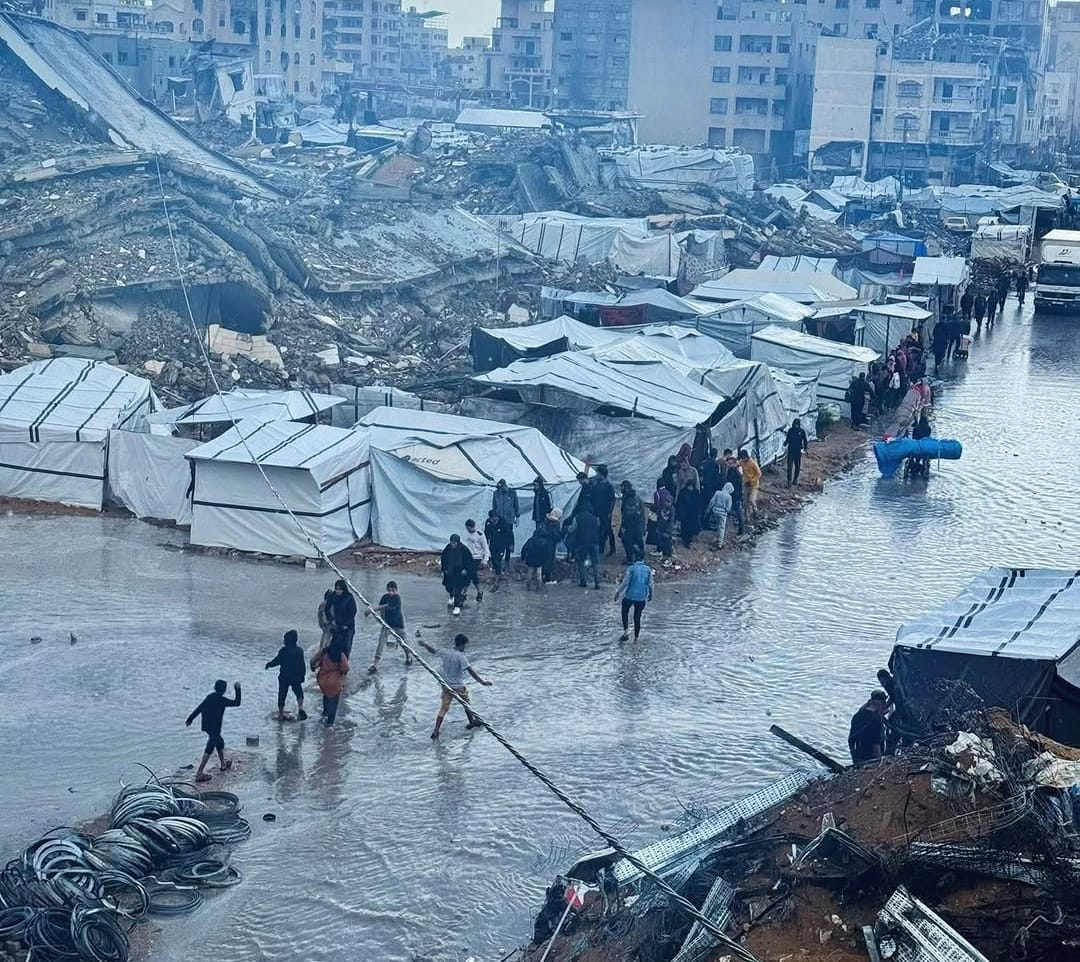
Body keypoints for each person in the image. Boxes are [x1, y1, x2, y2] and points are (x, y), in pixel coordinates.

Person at [418, 632, 492, 739]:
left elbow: (433, 650)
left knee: (443, 709)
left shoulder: (445, 652)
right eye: (465, 645)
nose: (465, 648)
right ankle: (471, 722)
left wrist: (424, 644)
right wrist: (482, 682)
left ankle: (436, 730)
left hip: (446, 686)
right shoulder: (461, 657)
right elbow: (471, 671)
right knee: (466, 704)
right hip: (458, 687)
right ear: (461, 644)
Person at [186, 679, 242, 782]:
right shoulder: (222, 700)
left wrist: (190, 718)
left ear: (215, 688)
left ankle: (223, 764)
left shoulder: (209, 697)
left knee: (219, 742)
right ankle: (199, 773)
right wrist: (238, 689)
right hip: (215, 727)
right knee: (211, 746)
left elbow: (199, 708)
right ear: (224, 690)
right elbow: (237, 703)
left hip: (207, 726)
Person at [366, 580, 410, 673]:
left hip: (398, 624)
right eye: (389, 590)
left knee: (403, 643)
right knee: (381, 643)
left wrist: (372, 609)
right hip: (387, 625)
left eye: (393, 590)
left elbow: (386, 607)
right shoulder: (385, 597)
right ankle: (375, 664)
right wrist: (383, 621)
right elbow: (381, 608)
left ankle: (408, 656)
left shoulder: (397, 598)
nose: (391, 592)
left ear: (396, 590)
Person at [265, 630, 307, 721]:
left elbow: (277, 661)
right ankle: (301, 708)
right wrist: (302, 676)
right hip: (296, 676)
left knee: (282, 694)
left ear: (287, 641)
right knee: (299, 693)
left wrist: (269, 664)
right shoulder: (299, 651)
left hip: (284, 677)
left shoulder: (283, 651)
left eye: (284, 639)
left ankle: (280, 714)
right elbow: (302, 665)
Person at [615, 550, 653, 642]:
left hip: (630, 596)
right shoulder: (648, 570)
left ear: (635, 558)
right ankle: (636, 638)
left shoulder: (631, 569)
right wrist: (651, 594)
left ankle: (626, 631)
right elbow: (650, 584)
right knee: (637, 616)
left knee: (624, 610)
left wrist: (618, 592)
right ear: (644, 559)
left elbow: (625, 583)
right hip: (641, 597)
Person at [313, 640, 349, 726]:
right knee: (334, 702)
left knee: (326, 695)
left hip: (322, 680)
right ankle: (330, 723)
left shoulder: (324, 652)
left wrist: (313, 668)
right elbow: (346, 669)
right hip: (335, 682)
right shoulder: (341, 655)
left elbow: (312, 661)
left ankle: (324, 713)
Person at [847, 690, 888, 764]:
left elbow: (851, 740)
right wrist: (879, 761)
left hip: (859, 755)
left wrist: (854, 758)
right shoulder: (876, 720)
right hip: (871, 758)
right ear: (881, 703)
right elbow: (876, 744)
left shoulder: (857, 716)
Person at [573, 500, 602, 589]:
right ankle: (597, 583)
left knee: (581, 562)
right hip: (594, 542)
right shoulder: (596, 518)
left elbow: (572, 529)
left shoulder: (577, 517)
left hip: (581, 542)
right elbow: (598, 528)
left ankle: (583, 582)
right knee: (595, 563)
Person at [440, 534, 472, 615]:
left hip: (460, 573)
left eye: (454, 543)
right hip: (450, 571)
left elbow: (469, 561)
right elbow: (443, 557)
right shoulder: (448, 548)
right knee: (449, 587)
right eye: (451, 542)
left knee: (458, 589)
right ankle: (452, 596)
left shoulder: (464, 549)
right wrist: (444, 569)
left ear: (457, 542)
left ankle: (457, 606)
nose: (452, 544)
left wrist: (466, 570)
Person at [618, 481, 645, 562]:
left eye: (622, 487)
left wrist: (624, 527)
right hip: (636, 524)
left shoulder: (631, 499)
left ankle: (633, 558)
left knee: (629, 541)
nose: (620, 489)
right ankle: (638, 557)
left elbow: (630, 515)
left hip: (633, 525)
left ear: (626, 488)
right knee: (635, 541)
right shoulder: (631, 497)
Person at [328, 579, 357, 657]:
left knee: (346, 647)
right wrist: (331, 620)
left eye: (340, 589)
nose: (338, 591)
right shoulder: (333, 596)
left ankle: (345, 665)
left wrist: (346, 624)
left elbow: (353, 612)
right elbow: (327, 608)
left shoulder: (349, 598)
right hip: (337, 625)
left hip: (348, 627)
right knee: (335, 646)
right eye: (336, 589)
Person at [592, 465, 617, 556]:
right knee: (598, 529)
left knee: (607, 529)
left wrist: (610, 512)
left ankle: (612, 548)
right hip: (597, 511)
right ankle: (601, 547)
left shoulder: (608, 485)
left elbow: (613, 500)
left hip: (605, 512)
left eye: (597, 473)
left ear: (601, 474)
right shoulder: (596, 483)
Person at [462, 518, 489, 603]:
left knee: (469, 574)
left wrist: (485, 560)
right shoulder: (466, 534)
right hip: (468, 557)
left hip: (477, 558)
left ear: (471, 527)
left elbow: (485, 548)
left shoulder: (480, 534)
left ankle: (464, 593)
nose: (467, 530)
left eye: (468, 528)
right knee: (473, 576)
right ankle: (479, 592)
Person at [675, 474, 702, 548]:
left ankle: (690, 539)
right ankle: (685, 540)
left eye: (691, 486)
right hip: (685, 514)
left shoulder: (696, 492)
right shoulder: (683, 492)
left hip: (693, 514)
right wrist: (680, 513)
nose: (690, 488)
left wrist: (699, 511)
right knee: (685, 528)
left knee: (691, 528)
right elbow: (680, 503)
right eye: (689, 486)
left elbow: (699, 502)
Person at [485, 510, 513, 580]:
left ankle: (498, 575)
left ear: (497, 517)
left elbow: (510, 534)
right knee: (494, 560)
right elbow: (486, 533)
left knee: (498, 560)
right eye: (491, 519)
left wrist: (511, 544)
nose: (493, 521)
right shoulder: (488, 522)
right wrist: (485, 544)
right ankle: (497, 573)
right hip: (492, 544)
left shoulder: (503, 523)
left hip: (501, 544)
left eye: (494, 519)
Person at [705, 481, 733, 547]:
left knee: (717, 526)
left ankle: (716, 539)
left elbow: (712, 502)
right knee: (721, 528)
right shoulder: (729, 497)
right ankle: (720, 543)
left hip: (715, 512)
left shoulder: (717, 493)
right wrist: (726, 511)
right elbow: (728, 508)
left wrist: (708, 510)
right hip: (723, 514)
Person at [724, 452, 745, 537]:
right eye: (728, 463)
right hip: (731, 495)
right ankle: (731, 529)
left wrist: (738, 495)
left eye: (730, 464)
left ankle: (741, 529)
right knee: (732, 512)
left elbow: (739, 486)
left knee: (737, 512)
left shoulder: (736, 473)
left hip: (735, 495)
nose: (728, 465)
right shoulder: (730, 471)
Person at [738, 449, 762, 521]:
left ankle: (756, 513)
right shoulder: (741, 462)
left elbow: (759, 474)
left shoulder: (753, 463)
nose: (742, 459)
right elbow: (737, 464)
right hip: (745, 484)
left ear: (746, 456)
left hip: (753, 485)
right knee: (745, 502)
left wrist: (752, 480)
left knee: (752, 500)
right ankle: (747, 518)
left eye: (743, 458)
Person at [785, 418, 809, 486]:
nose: (796, 426)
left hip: (798, 451)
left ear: (799, 425)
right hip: (791, 451)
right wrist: (785, 443)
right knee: (789, 466)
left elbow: (805, 440)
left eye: (797, 424)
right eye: (795, 424)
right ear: (793, 424)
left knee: (797, 466)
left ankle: (795, 479)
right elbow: (788, 438)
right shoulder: (790, 430)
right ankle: (789, 481)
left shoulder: (801, 431)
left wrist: (805, 448)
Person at [654, 484, 674, 560]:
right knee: (661, 543)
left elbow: (671, 522)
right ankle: (664, 556)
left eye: (668, 502)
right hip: (661, 528)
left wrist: (668, 532)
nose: (667, 503)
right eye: (666, 502)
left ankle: (668, 558)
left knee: (667, 544)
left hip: (667, 531)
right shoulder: (662, 509)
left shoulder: (671, 510)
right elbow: (659, 517)